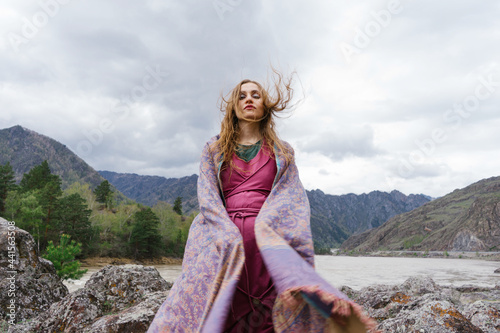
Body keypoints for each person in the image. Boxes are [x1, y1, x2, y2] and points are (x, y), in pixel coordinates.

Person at [148, 73, 378, 333]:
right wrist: (225, 231)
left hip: (268, 243)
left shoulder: (282, 150)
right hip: (225, 242)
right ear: (234, 106)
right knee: (223, 307)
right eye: (242, 96)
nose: (249, 99)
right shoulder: (213, 149)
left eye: (255, 95)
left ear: (265, 105)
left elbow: (292, 198)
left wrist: (268, 226)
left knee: (269, 310)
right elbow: (208, 196)